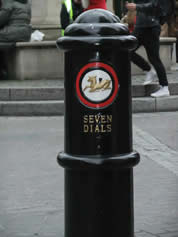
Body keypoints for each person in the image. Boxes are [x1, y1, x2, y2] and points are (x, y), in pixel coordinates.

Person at [126, 0, 170, 97]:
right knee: (128, 50)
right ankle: (148, 70)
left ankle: (164, 87)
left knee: (154, 58)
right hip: (140, 27)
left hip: (151, 27)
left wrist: (136, 6)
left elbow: (154, 5)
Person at [0, 0, 31, 79]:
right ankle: (3, 70)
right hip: (25, 34)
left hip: (12, 32)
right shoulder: (26, 3)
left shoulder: (9, 3)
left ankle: (2, 71)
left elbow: (1, 19)